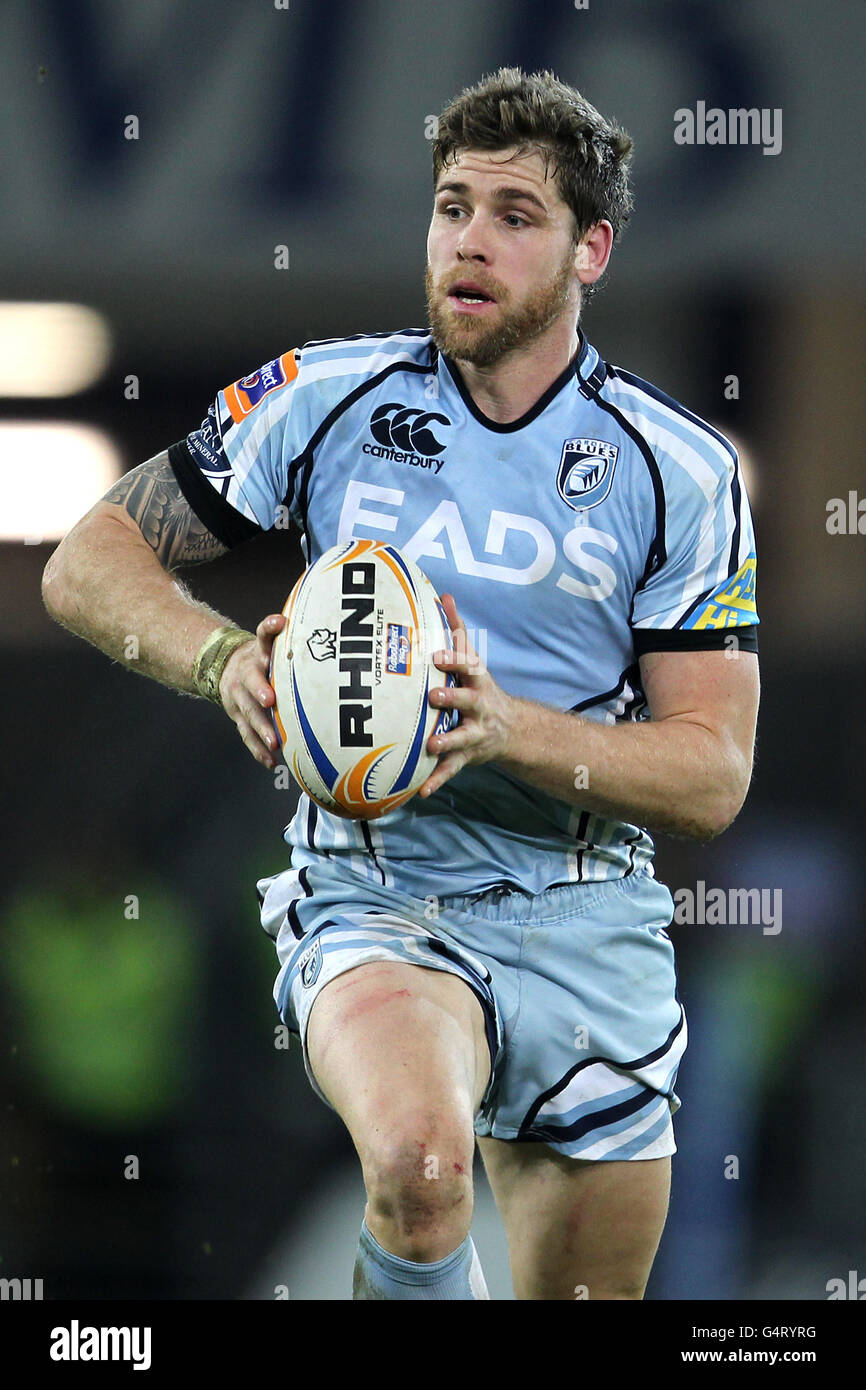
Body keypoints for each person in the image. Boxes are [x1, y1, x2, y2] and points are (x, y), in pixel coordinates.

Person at [41, 67, 760, 1301]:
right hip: (380, 890)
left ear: (590, 250)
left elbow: (711, 774)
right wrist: (220, 659)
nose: (466, 242)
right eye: (450, 205)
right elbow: (87, 556)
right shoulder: (321, 401)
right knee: (422, 1172)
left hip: (588, 915)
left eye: (513, 216)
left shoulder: (677, 469)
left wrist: (503, 728)